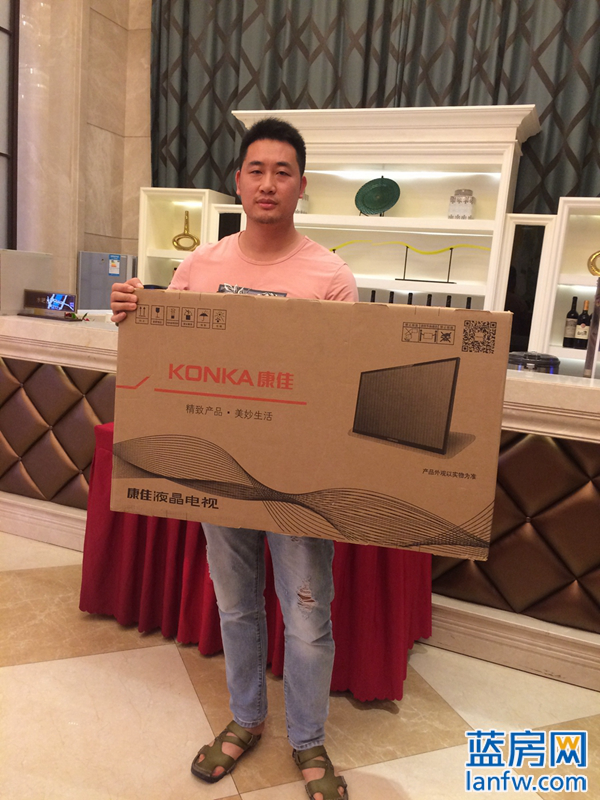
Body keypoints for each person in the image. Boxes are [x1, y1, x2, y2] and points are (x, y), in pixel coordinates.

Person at [111, 117, 357, 800]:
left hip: (299, 480)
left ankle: (308, 739)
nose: (268, 183)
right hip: (219, 471)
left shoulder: (331, 276)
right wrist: (135, 311)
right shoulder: (200, 267)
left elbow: (341, 384)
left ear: (302, 186)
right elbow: (168, 355)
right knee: (236, 605)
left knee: (307, 617)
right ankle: (246, 718)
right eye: (256, 170)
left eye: (283, 171)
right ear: (238, 182)